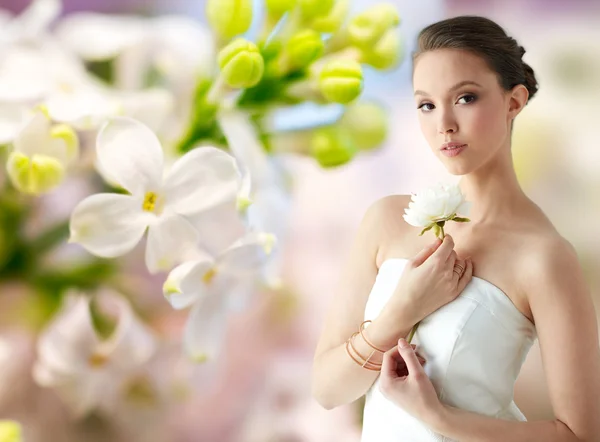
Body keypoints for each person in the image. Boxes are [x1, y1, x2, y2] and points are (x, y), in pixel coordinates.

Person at [311, 15, 600, 441]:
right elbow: (327, 391)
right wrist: (401, 310)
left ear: (514, 101)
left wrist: (438, 417)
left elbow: (580, 434)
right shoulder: (388, 221)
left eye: (465, 97)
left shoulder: (543, 255)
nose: (443, 122)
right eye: (426, 104)